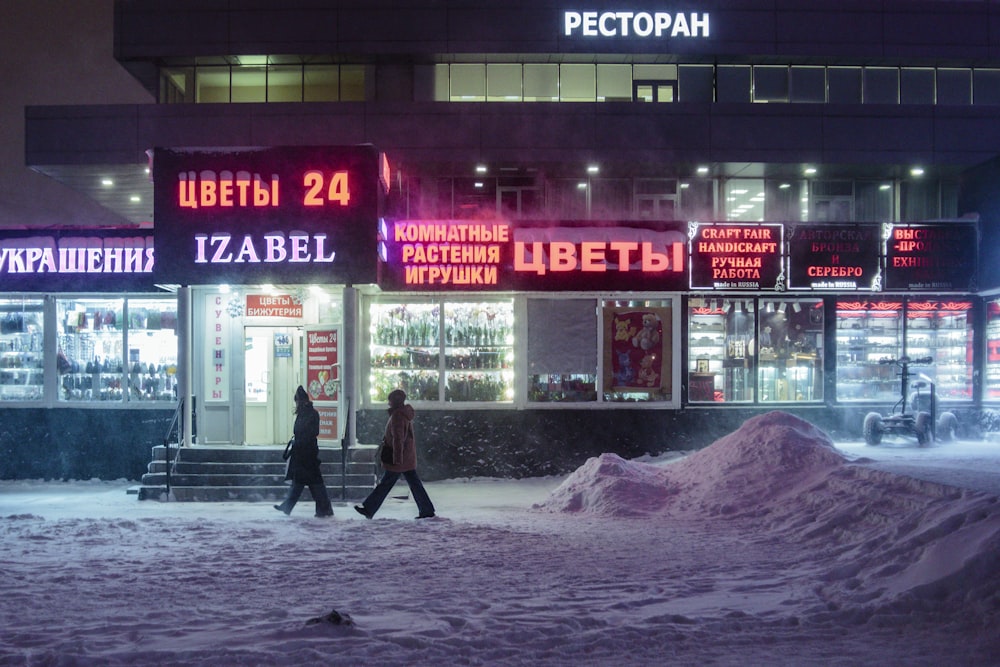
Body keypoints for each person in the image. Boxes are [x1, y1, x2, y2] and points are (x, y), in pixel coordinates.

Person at [355, 389, 436, 520]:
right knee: (414, 484)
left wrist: (397, 459)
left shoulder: (398, 416)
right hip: (406, 456)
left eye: (390, 400)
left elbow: (398, 438)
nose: (388, 403)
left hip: (400, 458)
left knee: (386, 484)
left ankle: (369, 509)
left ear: (395, 401)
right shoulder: (404, 413)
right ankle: (427, 510)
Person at [274, 386, 334, 518]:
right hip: (303, 453)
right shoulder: (304, 414)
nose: (297, 404)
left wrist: (302, 441)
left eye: (297, 401)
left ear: (302, 401)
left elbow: (313, 432)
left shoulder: (311, 414)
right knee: (309, 482)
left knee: (309, 483)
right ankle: (323, 509)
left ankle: (322, 508)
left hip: (307, 453)